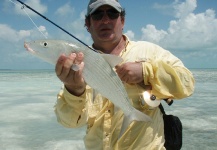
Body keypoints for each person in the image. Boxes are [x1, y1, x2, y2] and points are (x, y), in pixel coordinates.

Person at [54, 0, 195, 149]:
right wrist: (74, 89)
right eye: (97, 15)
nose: (106, 20)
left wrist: (146, 71)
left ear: (122, 21)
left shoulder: (149, 51)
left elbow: (188, 83)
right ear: (88, 24)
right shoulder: (78, 61)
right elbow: (68, 122)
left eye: (112, 14)